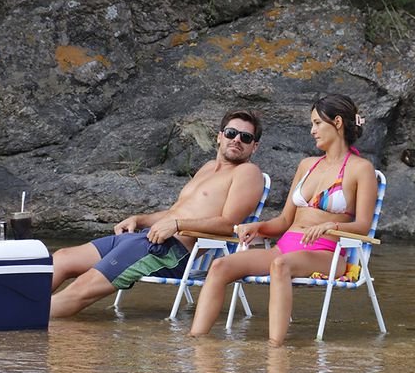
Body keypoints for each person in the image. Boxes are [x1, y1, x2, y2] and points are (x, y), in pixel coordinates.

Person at [189, 94, 378, 346]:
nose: (312, 131)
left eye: (317, 123)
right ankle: (195, 342)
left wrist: (331, 225)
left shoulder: (360, 169)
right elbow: (285, 219)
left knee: (280, 266)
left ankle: (275, 348)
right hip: (286, 247)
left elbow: (363, 225)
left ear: (338, 123)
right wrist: (259, 227)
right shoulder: (307, 165)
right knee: (220, 266)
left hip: (327, 253)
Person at [49, 109, 266, 318]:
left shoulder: (248, 173)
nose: (237, 139)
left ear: (254, 147)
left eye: (245, 137)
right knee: (62, 258)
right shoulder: (209, 167)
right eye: (231, 133)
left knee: (84, 287)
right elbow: (175, 212)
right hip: (146, 238)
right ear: (219, 137)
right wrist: (140, 219)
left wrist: (179, 225)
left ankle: (27, 320)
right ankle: (22, 306)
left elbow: (230, 225)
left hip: (170, 251)